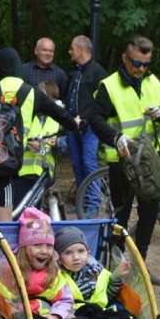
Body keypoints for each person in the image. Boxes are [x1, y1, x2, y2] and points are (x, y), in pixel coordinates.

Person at [88, 35, 160, 282]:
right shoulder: (109, 86)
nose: (141, 69)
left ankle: (140, 267)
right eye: (136, 63)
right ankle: (118, 269)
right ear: (125, 59)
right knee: (121, 217)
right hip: (123, 163)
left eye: (146, 64)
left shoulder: (154, 82)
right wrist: (116, 137)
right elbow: (94, 119)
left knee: (149, 214)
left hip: (150, 164)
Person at [0, 47, 80, 222]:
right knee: (11, 221)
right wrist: (75, 124)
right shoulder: (32, 92)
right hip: (13, 163)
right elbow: (61, 114)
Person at [0, 208, 100, 319]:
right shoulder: (8, 268)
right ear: (24, 247)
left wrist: (57, 315)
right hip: (19, 317)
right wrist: (15, 310)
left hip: (48, 318)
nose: (44, 251)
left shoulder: (52, 271)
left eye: (49, 246)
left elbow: (64, 299)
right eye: (37, 245)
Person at [54, 226, 146, 319]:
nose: (76, 257)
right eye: (68, 253)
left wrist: (116, 276)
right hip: (77, 316)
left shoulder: (98, 272)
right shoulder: (57, 277)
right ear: (59, 258)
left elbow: (108, 295)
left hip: (101, 313)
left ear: (88, 253)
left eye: (81, 251)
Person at [65, 35, 108, 216]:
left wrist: (86, 119)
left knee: (89, 162)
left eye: (72, 48)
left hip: (89, 127)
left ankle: (94, 204)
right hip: (72, 125)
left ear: (81, 50)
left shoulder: (99, 73)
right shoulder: (76, 72)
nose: (70, 51)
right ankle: (82, 201)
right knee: (77, 163)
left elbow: (101, 103)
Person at [13, 80, 61, 205]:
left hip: (44, 174)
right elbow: (13, 140)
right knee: (20, 210)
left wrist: (59, 142)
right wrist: (26, 144)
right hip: (23, 173)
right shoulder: (26, 115)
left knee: (40, 213)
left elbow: (68, 144)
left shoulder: (59, 118)